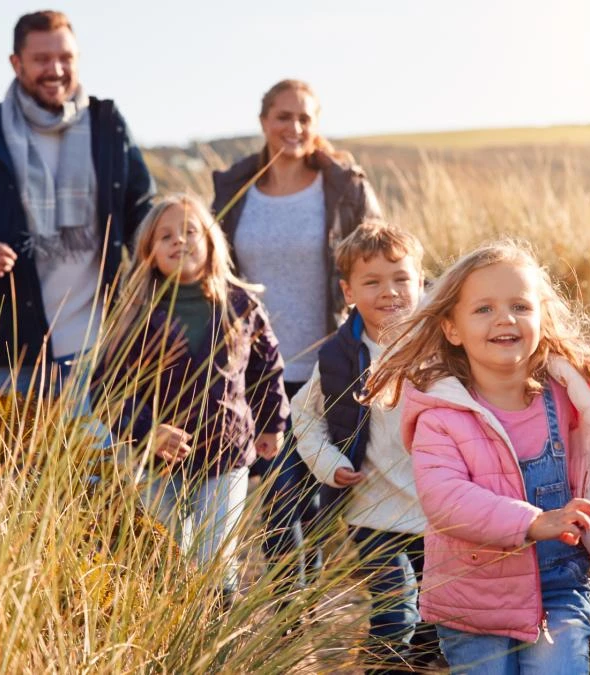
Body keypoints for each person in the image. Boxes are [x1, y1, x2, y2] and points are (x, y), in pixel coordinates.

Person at [363, 241, 590, 674]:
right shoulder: (441, 416)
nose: (505, 318)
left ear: (541, 320)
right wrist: (532, 521)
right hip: (474, 599)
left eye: (520, 306)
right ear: (452, 328)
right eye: (484, 309)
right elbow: (446, 500)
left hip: (557, 588)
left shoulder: (560, 397)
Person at [0, 10, 155, 405]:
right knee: (16, 468)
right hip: (11, 352)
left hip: (102, 347)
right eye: (42, 59)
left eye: (66, 58)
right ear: (17, 63)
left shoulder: (108, 125)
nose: (56, 69)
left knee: (100, 466)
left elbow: (142, 213)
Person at [211, 79, 382, 591]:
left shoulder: (343, 188)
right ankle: (292, 622)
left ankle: (297, 620)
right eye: (284, 117)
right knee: (280, 502)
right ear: (264, 121)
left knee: (298, 503)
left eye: (306, 118)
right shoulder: (234, 189)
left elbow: (377, 259)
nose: (295, 128)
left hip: (325, 370)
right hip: (251, 372)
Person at [94, 193, 288, 606]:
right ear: (148, 251)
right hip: (158, 460)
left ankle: (217, 643)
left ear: (212, 242)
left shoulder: (241, 304)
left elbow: (267, 367)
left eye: (189, 231)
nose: (179, 241)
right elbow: (105, 388)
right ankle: (170, 642)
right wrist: (147, 431)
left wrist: (273, 422)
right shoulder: (136, 312)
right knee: (164, 555)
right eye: (165, 236)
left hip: (227, 452)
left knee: (216, 557)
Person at [292, 222, 439, 672]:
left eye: (400, 279)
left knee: (437, 622)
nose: (388, 292)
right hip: (372, 511)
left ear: (421, 282)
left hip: (439, 511)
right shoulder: (340, 354)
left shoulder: (444, 345)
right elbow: (305, 417)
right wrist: (328, 464)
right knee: (395, 615)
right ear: (348, 291)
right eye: (371, 282)